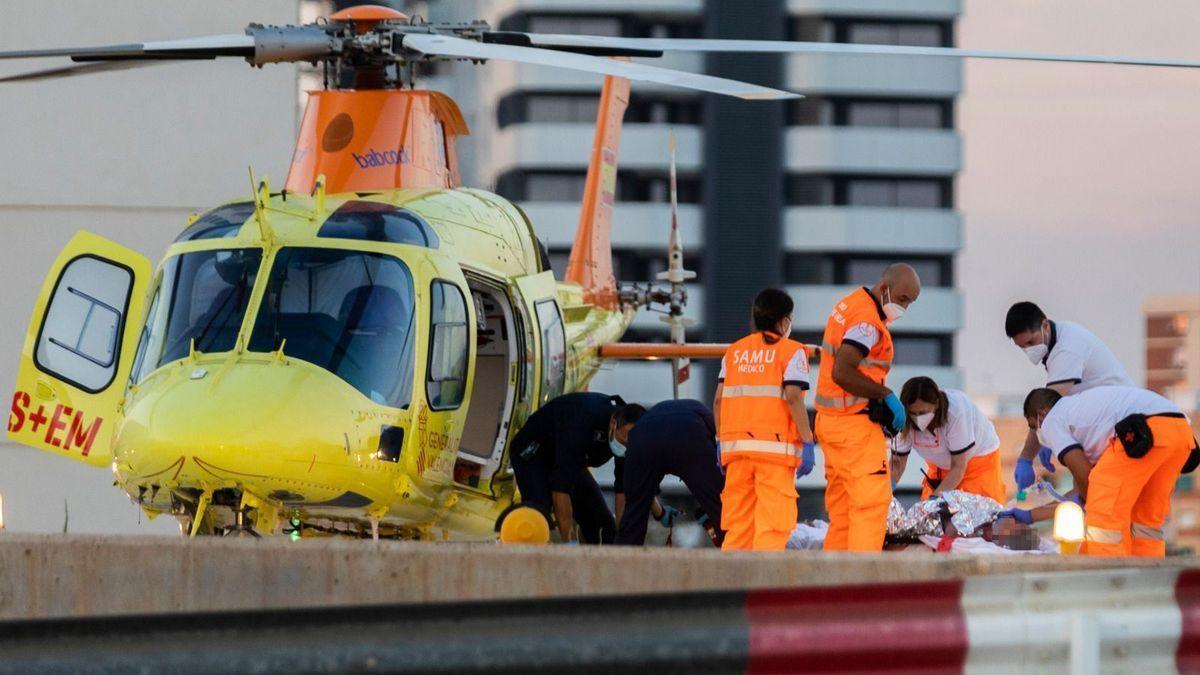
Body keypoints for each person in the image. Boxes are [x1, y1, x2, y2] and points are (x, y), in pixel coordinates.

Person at [1008, 386, 1199, 557]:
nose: (1038, 434)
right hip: (1180, 433)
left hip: (1144, 432)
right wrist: (1031, 515)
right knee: (1143, 520)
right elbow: (1082, 487)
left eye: (1033, 426)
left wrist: (1089, 502)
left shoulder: (1051, 420)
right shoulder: (1086, 418)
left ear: (1042, 413)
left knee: (1103, 516)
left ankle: (1108, 578)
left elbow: (1088, 481)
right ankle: (1145, 577)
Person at [815, 263, 920, 552]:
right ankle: (861, 585)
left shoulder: (851, 304)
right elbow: (843, 371)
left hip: (831, 423)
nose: (905, 307)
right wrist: (885, 394)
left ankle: (835, 587)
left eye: (910, 303)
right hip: (854, 429)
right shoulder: (867, 322)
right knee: (870, 508)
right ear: (885, 288)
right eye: (903, 299)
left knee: (843, 514)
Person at [714, 288, 814, 551]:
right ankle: (762, 588)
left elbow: (718, 401)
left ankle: (732, 588)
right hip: (774, 456)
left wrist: (720, 442)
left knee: (738, 529)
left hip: (736, 455)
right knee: (772, 529)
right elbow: (793, 397)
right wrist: (808, 442)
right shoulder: (792, 352)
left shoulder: (734, 352)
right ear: (783, 321)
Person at [1005, 301, 1134, 492]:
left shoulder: (1066, 350)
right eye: (1022, 347)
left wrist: (1026, 457)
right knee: (1089, 493)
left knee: (1099, 494)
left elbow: (1045, 410)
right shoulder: (1061, 339)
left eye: (1031, 342)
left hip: (1119, 426)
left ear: (1045, 326)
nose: (1028, 350)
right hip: (1105, 426)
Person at [510, 392, 645, 544]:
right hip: (535, 451)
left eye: (630, 446)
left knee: (604, 526)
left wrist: (622, 539)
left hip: (571, 458)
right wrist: (569, 543)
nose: (626, 448)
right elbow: (560, 489)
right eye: (623, 441)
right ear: (613, 424)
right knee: (539, 520)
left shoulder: (631, 438)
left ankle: (592, 559)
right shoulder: (583, 421)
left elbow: (622, 490)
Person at [613, 399, 725, 546]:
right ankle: (736, 558)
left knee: (633, 517)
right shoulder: (708, 415)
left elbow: (638, 495)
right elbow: (720, 465)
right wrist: (710, 505)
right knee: (722, 509)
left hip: (643, 440)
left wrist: (659, 513)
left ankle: (621, 562)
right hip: (689, 433)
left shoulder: (643, 426)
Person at [889, 376, 1006, 503]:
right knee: (932, 518)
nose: (917, 418)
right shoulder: (903, 418)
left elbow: (958, 467)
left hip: (976, 464)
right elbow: (896, 463)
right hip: (940, 468)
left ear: (937, 404)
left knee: (977, 515)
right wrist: (886, 490)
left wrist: (934, 500)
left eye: (923, 412)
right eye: (913, 413)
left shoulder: (957, 411)